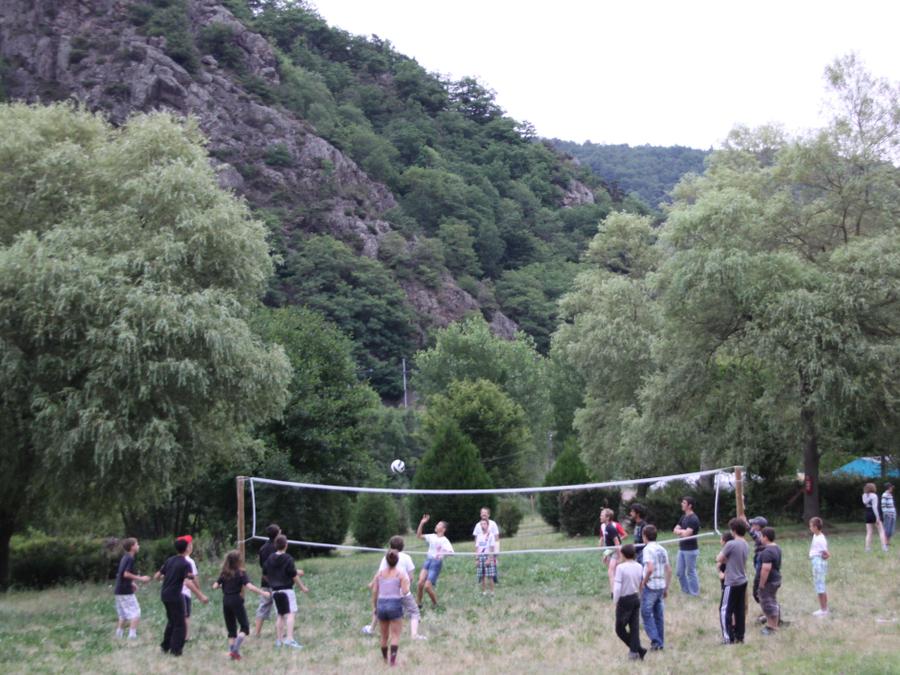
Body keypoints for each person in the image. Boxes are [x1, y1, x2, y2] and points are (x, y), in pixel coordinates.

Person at [154, 537, 209, 656]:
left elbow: (157, 576)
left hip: (165, 594)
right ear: (187, 548)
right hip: (175, 595)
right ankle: (176, 651)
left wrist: (170, 576)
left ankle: (165, 647)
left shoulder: (170, 560)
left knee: (172, 621)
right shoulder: (186, 563)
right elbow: (188, 582)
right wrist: (201, 596)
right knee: (180, 625)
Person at [363, 535, 425, 640]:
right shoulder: (407, 557)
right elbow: (410, 577)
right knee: (414, 612)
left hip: (388, 592)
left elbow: (379, 573)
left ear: (390, 546)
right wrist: (406, 585)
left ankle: (371, 629)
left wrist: (373, 583)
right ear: (403, 546)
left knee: (380, 609)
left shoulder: (386, 557)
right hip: (403, 592)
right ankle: (414, 635)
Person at [212, 550, 271, 660]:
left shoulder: (224, 573)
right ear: (238, 561)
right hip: (236, 600)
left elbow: (214, 586)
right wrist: (263, 593)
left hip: (226, 600)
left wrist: (223, 586)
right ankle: (235, 649)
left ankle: (232, 654)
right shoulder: (241, 573)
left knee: (231, 629)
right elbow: (250, 587)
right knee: (245, 627)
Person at [263, 534, 309, 649]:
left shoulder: (270, 558)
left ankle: (279, 641)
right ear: (286, 545)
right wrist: (302, 587)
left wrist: (272, 582)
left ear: (275, 545)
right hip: (287, 591)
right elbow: (294, 575)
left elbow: (265, 574)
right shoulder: (288, 558)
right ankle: (289, 639)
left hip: (275, 591)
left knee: (280, 615)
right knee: (290, 614)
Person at [373, 549, 411, 666]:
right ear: (397, 561)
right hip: (394, 604)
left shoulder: (379, 574)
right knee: (395, 635)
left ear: (386, 560)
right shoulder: (400, 574)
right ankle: (393, 661)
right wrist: (406, 584)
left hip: (381, 603)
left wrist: (375, 606)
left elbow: (374, 591)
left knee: (384, 636)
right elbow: (405, 591)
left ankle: (385, 659)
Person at [716, 518, 749, 644]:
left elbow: (719, 559)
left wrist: (724, 559)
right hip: (742, 580)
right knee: (739, 610)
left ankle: (728, 638)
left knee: (724, 610)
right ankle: (740, 637)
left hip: (731, 581)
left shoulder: (731, 544)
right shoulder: (745, 543)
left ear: (734, 530)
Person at [640, 524, 670, 651]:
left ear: (645, 536)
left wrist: (644, 581)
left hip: (651, 585)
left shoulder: (647, 549)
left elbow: (650, 568)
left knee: (646, 613)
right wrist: (666, 587)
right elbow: (668, 570)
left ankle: (656, 641)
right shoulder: (662, 549)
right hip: (661, 585)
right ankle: (660, 641)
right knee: (658, 615)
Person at [613, 543, 646, 660]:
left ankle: (638, 650)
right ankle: (635, 652)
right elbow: (641, 583)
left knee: (619, 629)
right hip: (635, 597)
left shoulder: (620, 568)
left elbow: (617, 587)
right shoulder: (639, 566)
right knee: (634, 627)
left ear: (623, 554)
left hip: (624, 599)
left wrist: (615, 600)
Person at [113, 537, 151, 639]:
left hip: (119, 590)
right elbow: (126, 574)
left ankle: (119, 635)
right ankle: (132, 636)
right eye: (137, 544)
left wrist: (132, 583)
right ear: (132, 547)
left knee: (123, 615)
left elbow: (121, 574)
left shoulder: (125, 557)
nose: (138, 546)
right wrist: (141, 578)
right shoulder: (130, 558)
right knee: (136, 612)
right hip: (125, 591)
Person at [415, 514, 454, 609]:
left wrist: (443, 552)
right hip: (428, 561)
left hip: (436, 563)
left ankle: (436, 605)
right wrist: (422, 523)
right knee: (420, 583)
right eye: (437, 524)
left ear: (443, 529)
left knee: (427, 587)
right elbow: (418, 536)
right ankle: (418, 604)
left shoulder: (445, 541)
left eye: (439, 525)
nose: (436, 525)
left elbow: (451, 553)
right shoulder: (432, 536)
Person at [254, 523, 280, 637]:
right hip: (277, 581)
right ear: (277, 534)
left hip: (265, 581)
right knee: (280, 608)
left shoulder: (262, 548)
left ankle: (257, 633)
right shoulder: (277, 548)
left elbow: (262, 565)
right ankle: (280, 634)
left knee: (263, 606)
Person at [673, 496, 700, 596]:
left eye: (684, 503)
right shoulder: (683, 517)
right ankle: (686, 591)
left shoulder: (694, 519)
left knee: (690, 572)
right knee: (679, 572)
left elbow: (686, 534)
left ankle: (694, 593)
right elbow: (675, 529)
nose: (682, 504)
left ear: (690, 506)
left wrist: (680, 532)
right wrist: (682, 531)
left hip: (691, 550)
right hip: (682, 549)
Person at [757, 527, 782, 636]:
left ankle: (773, 627)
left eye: (761, 536)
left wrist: (762, 583)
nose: (760, 538)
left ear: (765, 537)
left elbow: (766, 569)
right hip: (776, 579)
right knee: (772, 600)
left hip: (769, 581)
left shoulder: (767, 551)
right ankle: (771, 624)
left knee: (767, 603)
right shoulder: (777, 548)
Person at [176, 535, 199, 641]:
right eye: (190, 544)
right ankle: (186, 637)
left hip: (175, 592)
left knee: (177, 616)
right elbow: (194, 577)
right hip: (185, 593)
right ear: (188, 547)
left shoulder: (174, 560)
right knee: (186, 616)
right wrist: (198, 590)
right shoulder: (190, 561)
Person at [808, 516, 830, 617]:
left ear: (816, 527)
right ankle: (823, 608)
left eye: (811, 526)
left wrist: (822, 558)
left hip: (818, 562)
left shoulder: (820, 539)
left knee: (820, 587)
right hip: (815, 561)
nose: (810, 528)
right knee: (819, 586)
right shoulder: (815, 536)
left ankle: (824, 610)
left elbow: (827, 554)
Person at [747, 515, 768, 621]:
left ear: (759, 527)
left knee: (760, 590)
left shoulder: (760, 536)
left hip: (761, 562)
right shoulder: (761, 534)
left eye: (754, 524)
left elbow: (750, 531)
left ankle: (767, 613)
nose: (752, 526)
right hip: (758, 561)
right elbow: (748, 529)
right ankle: (766, 612)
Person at [473, 507, 500, 584]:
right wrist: (476, 553)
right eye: (482, 513)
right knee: (480, 565)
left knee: (492, 564)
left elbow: (496, 538)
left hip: (491, 549)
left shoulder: (493, 524)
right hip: (481, 550)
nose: (483, 514)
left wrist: (496, 551)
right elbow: (476, 540)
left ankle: (494, 580)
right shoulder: (477, 525)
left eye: (485, 513)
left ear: (489, 514)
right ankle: (480, 580)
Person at [599, 508, 621, 598]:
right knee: (613, 571)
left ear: (607, 518)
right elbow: (609, 545)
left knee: (611, 571)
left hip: (615, 550)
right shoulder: (606, 527)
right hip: (611, 550)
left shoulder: (611, 528)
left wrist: (619, 557)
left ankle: (614, 593)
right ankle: (616, 591)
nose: (600, 517)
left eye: (602, 515)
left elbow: (617, 543)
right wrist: (605, 554)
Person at [862, 482, 888, 552]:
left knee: (869, 532)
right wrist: (877, 517)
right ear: (873, 488)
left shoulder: (864, 495)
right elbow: (874, 507)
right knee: (881, 531)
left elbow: (865, 502)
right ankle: (884, 547)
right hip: (874, 513)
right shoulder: (874, 495)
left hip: (867, 514)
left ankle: (867, 548)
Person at [475, 519, 496, 596]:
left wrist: (489, 559)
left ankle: (492, 592)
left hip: (488, 556)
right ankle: (484, 592)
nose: (482, 526)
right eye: (481, 524)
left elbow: (492, 547)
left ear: (487, 525)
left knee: (490, 576)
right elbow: (477, 548)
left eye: (484, 524)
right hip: (480, 556)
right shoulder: (479, 536)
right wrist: (477, 559)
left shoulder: (491, 535)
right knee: (482, 576)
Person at [880, 483, 895, 548]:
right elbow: (883, 506)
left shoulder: (890, 495)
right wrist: (887, 513)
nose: (892, 488)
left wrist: (894, 513)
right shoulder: (884, 495)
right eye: (891, 487)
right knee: (886, 529)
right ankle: (885, 544)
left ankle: (888, 543)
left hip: (893, 514)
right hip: (888, 515)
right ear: (889, 487)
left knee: (891, 530)